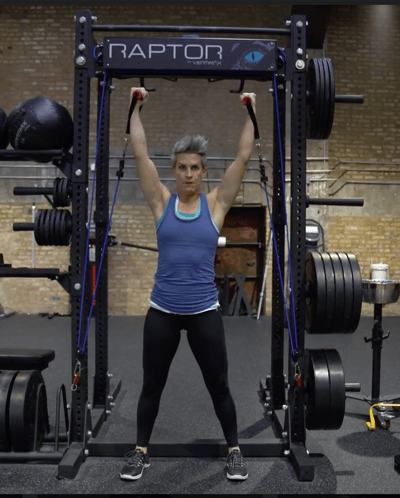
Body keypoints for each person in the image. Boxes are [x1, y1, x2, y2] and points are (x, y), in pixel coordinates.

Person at [120, 87, 256, 482]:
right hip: (162, 310)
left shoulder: (215, 206)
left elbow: (244, 156)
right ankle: (140, 451)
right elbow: (140, 153)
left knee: (220, 386)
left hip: (203, 313)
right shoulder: (161, 203)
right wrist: (136, 107)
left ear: (204, 172)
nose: (189, 174)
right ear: (174, 171)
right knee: (152, 386)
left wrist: (250, 112)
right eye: (182, 167)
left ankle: (233, 450)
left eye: (195, 167)